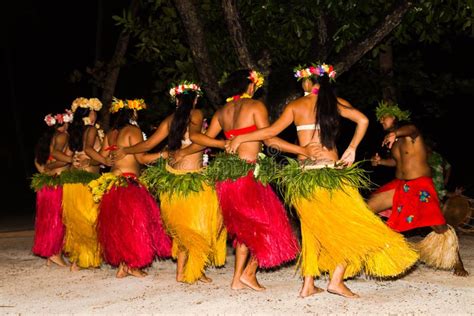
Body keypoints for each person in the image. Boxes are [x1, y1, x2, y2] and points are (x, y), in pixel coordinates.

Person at [227, 63, 419, 298]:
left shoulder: (296, 105)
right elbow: (363, 121)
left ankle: (308, 285)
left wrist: (241, 138)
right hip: (330, 175)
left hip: (305, 177)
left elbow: (270, 135)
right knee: (351, 225)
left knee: (311, 230)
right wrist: (351, 150)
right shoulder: (333, 105)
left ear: (307, 83)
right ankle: (335, 281)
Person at [174, 69, 317, 291]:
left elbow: (197, 138)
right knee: (273, 224)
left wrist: (214, 146)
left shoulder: (223, 111)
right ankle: (249, 272)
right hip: (248, 175)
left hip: (227, 178)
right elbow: (269, 139)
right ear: (250, 86)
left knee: (244, 229)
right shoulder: (255, 106)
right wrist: (301, 149)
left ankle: (237, 279)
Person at [113, 83, 227, 284]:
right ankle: (195, 270)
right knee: (203, 224)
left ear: (176, 100)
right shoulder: (197, 113)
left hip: (173, 180)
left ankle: (182, 272)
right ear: (195, 99)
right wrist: (223, 144)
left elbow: (148, 145)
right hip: (194, 179)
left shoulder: (170, 120)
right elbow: (196, 138)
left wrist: (126, 150)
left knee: (182, 228)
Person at [368, 101, 468, 276]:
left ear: (395, 118)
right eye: (380, 119)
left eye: (384, 117)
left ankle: (457, 262)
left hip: (420, 186)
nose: (381, 121)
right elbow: (398, 162)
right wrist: (381, 162)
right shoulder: (396, 142)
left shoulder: (410, 134)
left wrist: (394, 133)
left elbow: (412, 128)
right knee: (368, 208)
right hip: (400, 186)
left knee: (439, 226)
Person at [90, 98, 171, 278]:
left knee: (120, 226)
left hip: (111, 184)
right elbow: (141, 159)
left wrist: (105, 161)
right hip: (128, 182)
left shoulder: (111, 133)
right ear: (133, 113)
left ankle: (122, 265)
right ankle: (132, 266)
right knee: (135, 225)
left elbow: (99, 158)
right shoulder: (132, 130)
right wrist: (163, 154)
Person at [54, 97, 107, 271]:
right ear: (87, 113)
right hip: (87, 183)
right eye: (93, 112)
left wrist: (71, 159)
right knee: (91, 220)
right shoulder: (91, 130)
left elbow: (56, 152)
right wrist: (106, 161)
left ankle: (78, 261)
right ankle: (87, 258)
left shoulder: (75, 132)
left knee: (77, 222)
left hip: (72, 183)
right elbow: (90, 150)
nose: (95, 115)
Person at [31, 110, 73, 267]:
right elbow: (55, 155)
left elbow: (38, 160)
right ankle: (55, 254)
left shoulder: (52, 137)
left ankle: (51, 253)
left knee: (50, 219)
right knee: (58, 219)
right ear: (66, 121)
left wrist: (46, 171)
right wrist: (70, 159)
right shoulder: (63, 136)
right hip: (57, 183)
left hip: (48, 183)